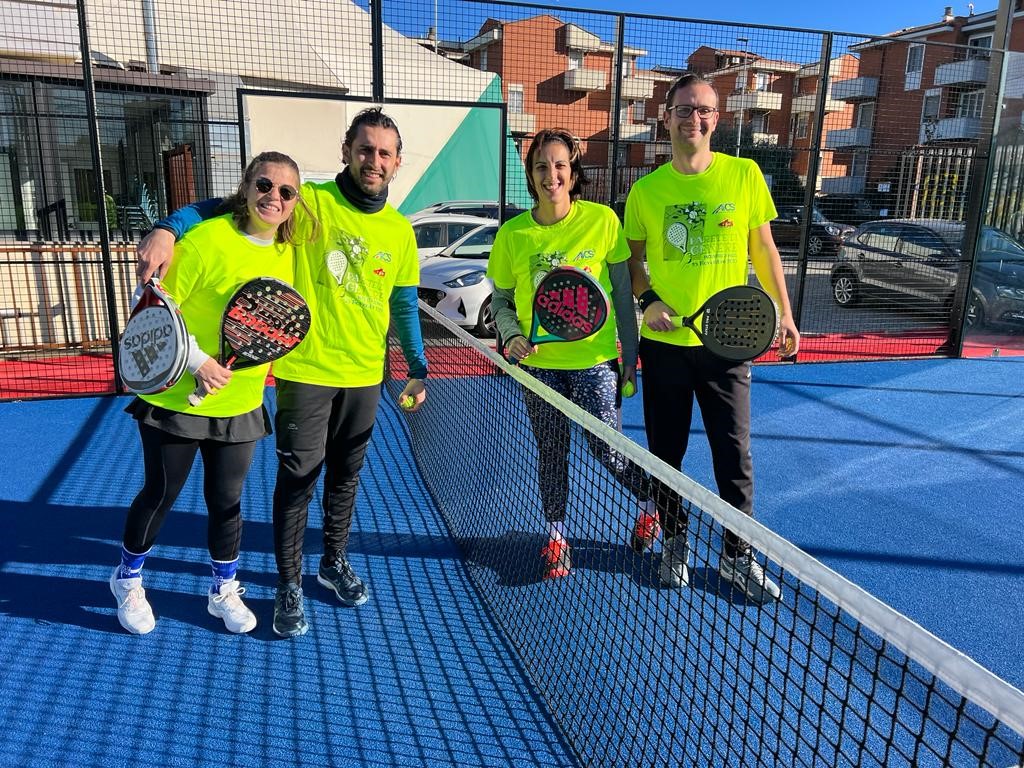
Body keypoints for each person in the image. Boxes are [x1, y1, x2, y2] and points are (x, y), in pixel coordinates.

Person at [135, 107, 428, 638]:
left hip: (367, 375)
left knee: (346, 477)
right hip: (306, 371)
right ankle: (289, 582)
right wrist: (167, 227)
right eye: (365, 149)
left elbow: (404, 303)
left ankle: (332, 560)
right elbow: (227, 205)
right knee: (299, 478)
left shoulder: (400, 231)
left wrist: (418, 366)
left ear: (397, 162)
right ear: (347, 150)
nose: (374, 160)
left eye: (384, 153)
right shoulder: (308, 201)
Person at [111, 151, 314, 635]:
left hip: (240, 403)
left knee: (227, 502)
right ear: (246, 187)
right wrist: (198, 362)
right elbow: (154, 309)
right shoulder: (204, 241)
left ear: (295, 202)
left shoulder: (291, 253)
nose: (274, 197)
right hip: (175, 400)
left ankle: (223, 589)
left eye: (286, 192)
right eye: (264, 185)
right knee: (161, 493)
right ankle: (127, 579)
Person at [623, 73, 800, 604]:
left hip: (728, 345)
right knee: (665, 454)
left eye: (703, 110)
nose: (693, 119)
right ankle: (674, 541)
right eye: (683, 109)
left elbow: (764, 250)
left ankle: (736, 555)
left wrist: (785, 314)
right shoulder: (645, 191)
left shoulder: (744, 175)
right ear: (666, 117)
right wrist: (648, 301)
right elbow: (632, 266)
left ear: (716, 119)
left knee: (733, 454)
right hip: (665, 348)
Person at [487, 128, 650, 580]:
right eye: (541, 166)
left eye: (560, 165)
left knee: (609, 452)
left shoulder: (603, 221)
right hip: (539, 368)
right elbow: (501, 300)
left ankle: (652, 505)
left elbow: (622, 296)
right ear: (530, 175)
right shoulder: (513, 235)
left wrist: (630, 358)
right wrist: (510, 336)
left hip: (594, 363)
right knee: (551, 452)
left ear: (573, 173)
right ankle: (557, 538)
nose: (551, 175)